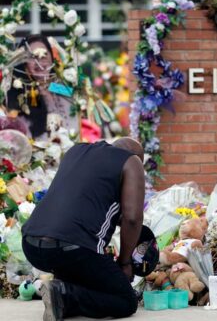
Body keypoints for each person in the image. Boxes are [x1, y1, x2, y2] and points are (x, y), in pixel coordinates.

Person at [21, 137, 145, 320]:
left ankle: (61, 291)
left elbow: (81, 200)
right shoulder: (131, 160)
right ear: (136, 157)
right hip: (72, 248)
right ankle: (65, 296)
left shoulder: (76, 150)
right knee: (125, 300)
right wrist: (125, 263)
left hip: (31, 244)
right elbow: (133, 219)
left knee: (83, 267)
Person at [6, 34, 78, 139]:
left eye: (45, 55)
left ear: (52, 57)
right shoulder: (19, 94)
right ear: (24, 64)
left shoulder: (59, 87)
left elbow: (79, 100)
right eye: (33, 57)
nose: (40, 62)